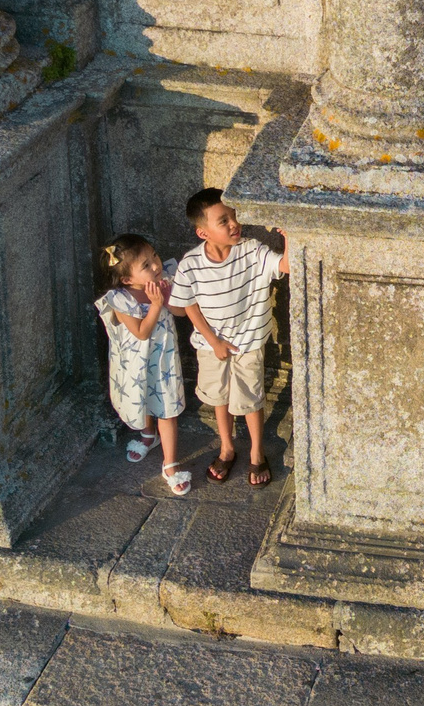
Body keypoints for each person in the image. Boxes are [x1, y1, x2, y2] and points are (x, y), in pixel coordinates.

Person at [175, 187, 288, 485]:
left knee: (251, 399)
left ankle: (256, 452)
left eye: (234, 217)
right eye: (223, 221)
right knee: (219, 397)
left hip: (248, 344)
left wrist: (289, 237)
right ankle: (226, 448)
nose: (234, 224)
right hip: (210, 346)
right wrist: (214, 342)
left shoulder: (251, 250)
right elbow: (188, 305)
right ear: (203, 233)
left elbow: (284, 266)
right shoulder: (190, 264)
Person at [93, 234, 193, 497]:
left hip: (164, 361)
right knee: (143, 398)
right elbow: (141, 332)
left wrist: (168, 298)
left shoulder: (164, 282)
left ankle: (170, 463)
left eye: (154, 256)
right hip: (135, 364)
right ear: (127, 279)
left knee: (167, 408)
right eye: (146, 265)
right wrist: (156, 305)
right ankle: (149, 434)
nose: (156, 265)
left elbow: (181, 312)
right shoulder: (121, 299)